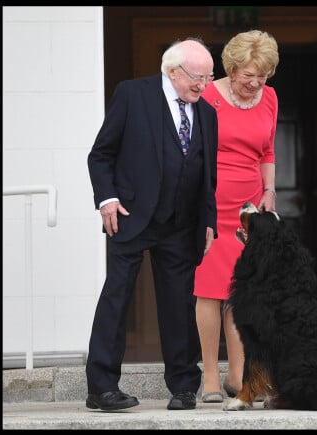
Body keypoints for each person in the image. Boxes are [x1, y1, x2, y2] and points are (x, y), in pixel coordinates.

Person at [86, 38, 218, 411]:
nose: (204, 85)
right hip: (131, 215)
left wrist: (208, 221)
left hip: (181, 222)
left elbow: (208, 175)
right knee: (117, 296)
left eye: (209, 78)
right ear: (173, 71)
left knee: (179, 304)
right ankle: (101, 387)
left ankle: (183, 385)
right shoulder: (132, 94)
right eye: (198, 77)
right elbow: (101, 154)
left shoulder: (206, 111)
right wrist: (107, 198)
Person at [194, 30, 279, 403]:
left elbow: (268, 152)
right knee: (209, 291)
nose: (255, 83)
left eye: (262, 76)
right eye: (248, 75)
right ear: (230, 67)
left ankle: (238, 374)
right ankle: (210, 376)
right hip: (210, 205)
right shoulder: (208, 95)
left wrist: (270, 192)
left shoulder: (270, 98)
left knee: (241, 291)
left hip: (249, 209)